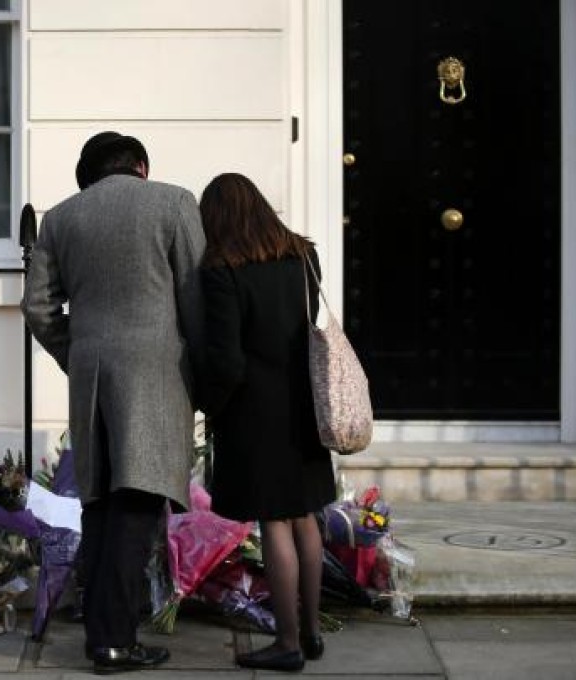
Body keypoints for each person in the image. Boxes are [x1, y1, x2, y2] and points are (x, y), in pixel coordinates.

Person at [22, 131, 205, 675]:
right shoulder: (173, 202)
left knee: (100, 504)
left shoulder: (59, 218)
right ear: (140, 166)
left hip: (91, 373)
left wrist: (77, 351)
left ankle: (102, 632)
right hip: (156, 373)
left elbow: (37, 308)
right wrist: (204, 375)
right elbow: (195, 296)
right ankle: (114, 641)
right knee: (137, 505)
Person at [198, 173, 336, 672]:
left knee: (274, 520)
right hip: (303, 402)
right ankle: (314, 632)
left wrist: (207, 403)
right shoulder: (303, 254)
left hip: (256, 410)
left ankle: (287, 642)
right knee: (306, 517)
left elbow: (227, 360)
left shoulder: (221, 268)